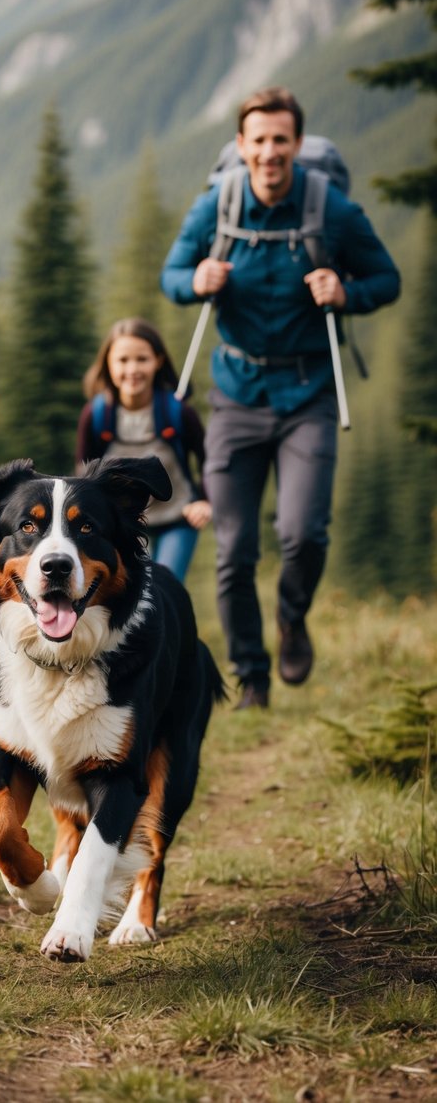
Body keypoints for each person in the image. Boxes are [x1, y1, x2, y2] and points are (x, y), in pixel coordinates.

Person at [161, 86, 400, 709]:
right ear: (241, 146)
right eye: (258, 140)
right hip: (236, 395)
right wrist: (195, 280)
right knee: (234, 551)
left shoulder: (331, 209)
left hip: (309, 393)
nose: (269, 153)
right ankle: (253, 677)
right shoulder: (219, 204)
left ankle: (292, 617)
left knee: (303, 533)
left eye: (280, 140)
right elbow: (171, 274)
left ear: (297, 143)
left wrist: (346, 291)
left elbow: (386, 278)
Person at [76, 318, 211, 583]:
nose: (132, 369)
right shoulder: (96, 415)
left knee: (166, 585)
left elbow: (210, 460)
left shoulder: (178, 412)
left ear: (158, 361)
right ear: (108, 364)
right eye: (123, 360)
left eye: (142, 359)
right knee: (137, 590)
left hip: (177, 518)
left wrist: (204, 499)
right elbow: (83, 472)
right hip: (123, 523)